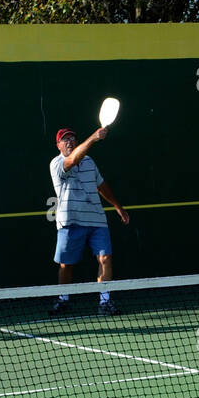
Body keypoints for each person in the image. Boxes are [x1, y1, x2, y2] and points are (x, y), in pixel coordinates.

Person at [50, 126, 130, 314]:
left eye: (72, 138)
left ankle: (105, 302)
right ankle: (63, 300)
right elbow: (72, 160)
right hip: (70, 221)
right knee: (66, 265)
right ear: (58, 145)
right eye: (65, 139)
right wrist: (94, 138)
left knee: (105, 258)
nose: (69, 141)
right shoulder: (56, 163)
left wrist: (118, 207)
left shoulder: (89, 162)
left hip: (96, 220)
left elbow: (101, 185)